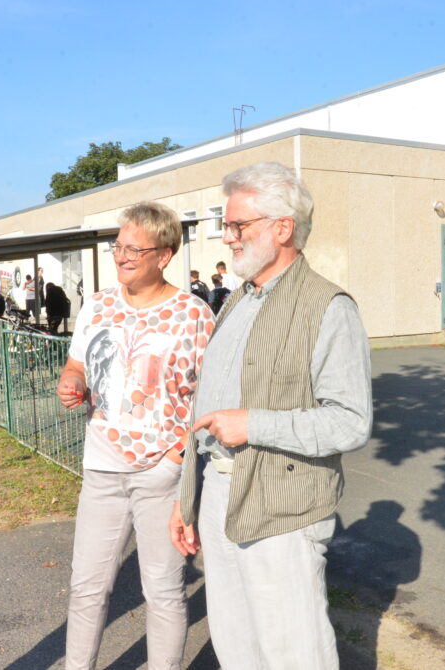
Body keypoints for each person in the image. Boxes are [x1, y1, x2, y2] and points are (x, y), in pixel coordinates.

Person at [169, 162, 373, 670]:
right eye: (228, 225)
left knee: (292, 653)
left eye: (239, 226)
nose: (227, 238)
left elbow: (350, 421)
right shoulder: (238, 299)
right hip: (218, 496)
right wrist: (187, 498)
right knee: (235, 646)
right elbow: (207, 406)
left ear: (282, 228)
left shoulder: (329, 307)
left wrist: (253, 424)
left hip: (282, 510)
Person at [58, 201, 215, 670]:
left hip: (161, 475)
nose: (121, 256)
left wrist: (175, 458)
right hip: (101, 468)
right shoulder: (99, 305)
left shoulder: (194, 315)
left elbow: (210, 397)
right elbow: (77, 364)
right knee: (87, 587)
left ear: (164, 255)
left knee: (163, 591)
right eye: (118, 246)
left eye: (133, 248)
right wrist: (72, 382)